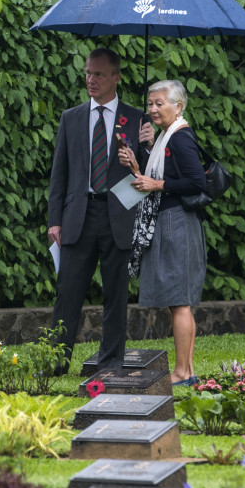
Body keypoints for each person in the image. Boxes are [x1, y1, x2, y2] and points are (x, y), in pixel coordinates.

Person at [47, 48, 152, 374]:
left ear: (116, 78)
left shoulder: (137, 119)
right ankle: (55, 363)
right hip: (78, 216)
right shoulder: (72, 117)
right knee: (68, 294)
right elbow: (59, 173)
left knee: (115, 295)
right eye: (89, 73)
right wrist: (54, 221)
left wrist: (147, 147)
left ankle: (110, 363)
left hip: (118, 214)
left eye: (99, 75)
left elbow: (147, 175)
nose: (91, 80)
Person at [118, 80, 207, 386]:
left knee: (179, 300)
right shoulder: (165, 137)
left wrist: (156, 185)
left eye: (160, 103)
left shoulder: (180, 138)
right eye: (151, 103)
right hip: (170, 221)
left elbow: (197, 182)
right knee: (178, 301)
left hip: (176, 224)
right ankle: (189, 371)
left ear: (178, 107)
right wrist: (136, 164)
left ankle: (182, 372)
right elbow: (158, 176)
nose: (153, 109)